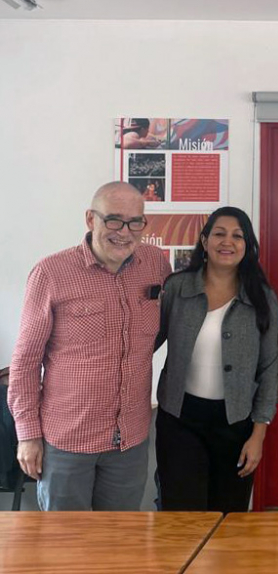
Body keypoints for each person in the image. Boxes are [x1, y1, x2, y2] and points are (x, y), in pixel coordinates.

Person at [8, 182, 171, 510]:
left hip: (130, 440)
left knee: (119, 535)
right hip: (68, 441)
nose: (124, 232)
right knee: (68, 538)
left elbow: (155, 333)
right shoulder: (51, 273)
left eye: (135, 222)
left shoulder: (155, 264)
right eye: (113, 220)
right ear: (90, 219)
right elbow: (25, 361)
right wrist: (27, 434)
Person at [155, 207, 278, 513]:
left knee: (228, 518)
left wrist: (258, 435)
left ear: (247, 245)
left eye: (238, 236)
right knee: (182, 517)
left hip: (236, 423)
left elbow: (269, 368)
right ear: (204, 240)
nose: (228, 242)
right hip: (180, 419)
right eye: (220, 234)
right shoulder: (177, 287)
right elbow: (147, 342)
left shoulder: (262, 297)